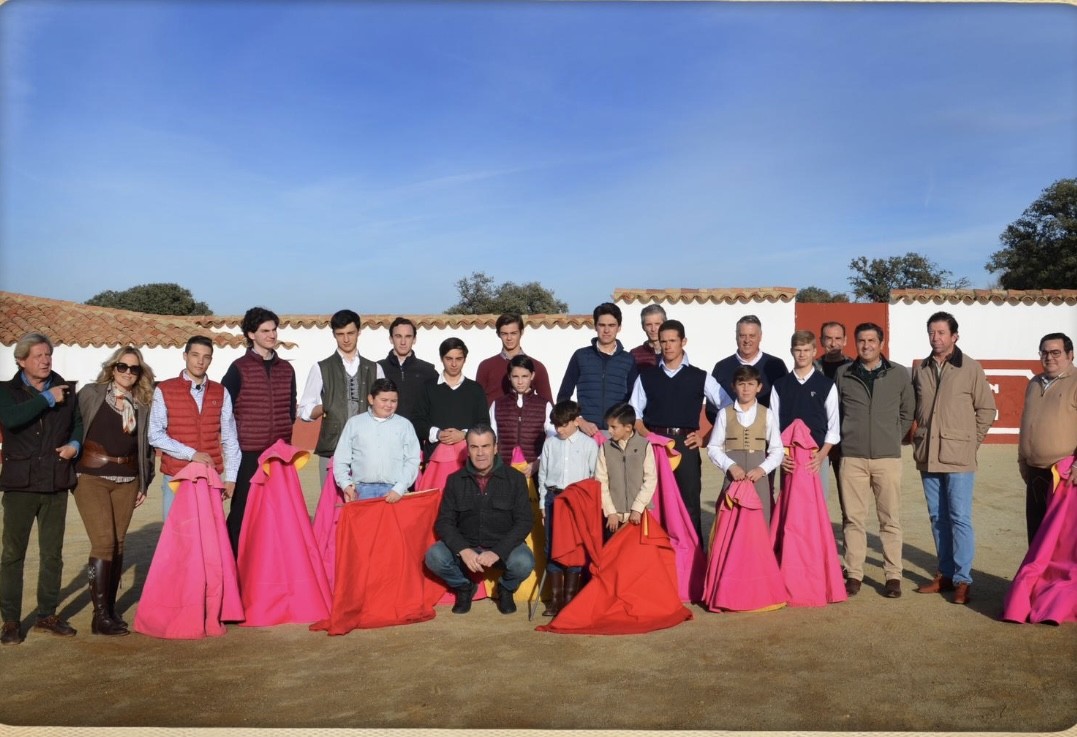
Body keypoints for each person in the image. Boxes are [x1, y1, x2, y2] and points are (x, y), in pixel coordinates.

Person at [0, 333, 82, 645]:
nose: (46, 360)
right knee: (12, 554)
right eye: (38, 356)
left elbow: (78, 423)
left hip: (54, 481)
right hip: (19, 483)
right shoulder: (6, 392)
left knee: (52, 555)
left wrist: (75, 443)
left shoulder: (67, 389)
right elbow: (11, 419)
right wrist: (47, 399)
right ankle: (9, 620)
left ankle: (46, 614)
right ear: (21, 361)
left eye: (48, 354)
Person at [911, 312, 996, 605]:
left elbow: (986, 410)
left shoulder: (970, 368)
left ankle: (962, 580)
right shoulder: (921, 369)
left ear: (954, 336)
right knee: (938, 518)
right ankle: (945, 574)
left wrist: (971, 442)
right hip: (928, 455)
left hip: (959, 456)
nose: (936, 338)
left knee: (959, 518)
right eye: (932, 333)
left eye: (941, 333)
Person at [73, 347, 156, 636]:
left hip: (128, 479)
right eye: (123, 367)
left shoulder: (143, 401)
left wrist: (144, 481)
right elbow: (72, 426)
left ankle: (109, 609)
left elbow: (147, 446)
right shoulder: (91, 393)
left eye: (134, 369)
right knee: (104, 542)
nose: (128, 373)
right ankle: (99, 616)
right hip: (91, 476)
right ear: (113, 367)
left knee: (119, 543)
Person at [630, 319, 732, 545]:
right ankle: (657, 558)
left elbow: (728, 407)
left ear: (683, 342)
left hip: (686, 444)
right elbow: (634, 413)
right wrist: (648, 437)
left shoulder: (700, 376)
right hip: (655, 445)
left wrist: (706, 437)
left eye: (672, 341)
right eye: (663, 341)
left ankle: (694, 557)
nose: (667, 346)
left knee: (689, 503)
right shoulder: (647, 376)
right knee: (654, 501)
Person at [834, 322, 914, 599]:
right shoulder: (843, 373)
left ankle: (893, 575)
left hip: (887, 458)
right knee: (853, 520)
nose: (866, 346)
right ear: (855, 344)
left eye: (871, 340)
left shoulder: (899, 374)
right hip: (852, 456)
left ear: (881, 343)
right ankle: (854, 573)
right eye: (861, 341)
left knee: (889, 519)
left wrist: (892, 437)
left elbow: (907, 411)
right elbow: (837, 411)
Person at [424, 425, 534, 615]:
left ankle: (506, 588)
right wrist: (463, 550)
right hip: (468, 547)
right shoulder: (455, 480)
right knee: (434, 556)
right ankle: (464, 587)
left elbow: (524, 521)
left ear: (495, 448)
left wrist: (498, 552)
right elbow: (444, 522)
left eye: (485, 446)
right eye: (474, 447)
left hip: (503, 547)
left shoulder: (515, 479)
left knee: (523, 561)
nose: (480, 453)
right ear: (468, 449)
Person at [221, 306, 297, 555]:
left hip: (279, 453)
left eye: (274, 330)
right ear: (251, 334)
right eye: (265, 330)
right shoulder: (238, 368)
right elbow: (225, 409)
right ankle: (233, 564)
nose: (272, 335)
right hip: (248, 453)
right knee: (242, 512)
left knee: (279, 513)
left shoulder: (287, 369)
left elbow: (291, 407)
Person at [148, 335, 240, 522]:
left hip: (210, 476)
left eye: (206, 357)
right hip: (177, 474)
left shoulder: (220, 391)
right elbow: (155, 435)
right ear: (185, 356)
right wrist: (191, 454)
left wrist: (231, 477)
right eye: (195, 355)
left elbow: (230, 437)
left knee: (210, 535)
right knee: (176, 536)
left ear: (211, 360)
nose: (200, 361)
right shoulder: (165, 389)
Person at [298, 309, 383, 484]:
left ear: (359, 332)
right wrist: (325, 406)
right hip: (332, 447)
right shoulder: (321, 368)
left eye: (350, 333)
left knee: (364, 504)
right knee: (330, 505)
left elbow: (384, 409)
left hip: (368, 448)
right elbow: (304, 411)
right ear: (334, 335)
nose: (346, 339)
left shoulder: (375, 368)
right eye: (340, 334)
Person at [536, 400, 598, 616]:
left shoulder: (589, 445)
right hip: (554, 498)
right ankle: (555, 599)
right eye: (556, 425)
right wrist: (544, 503)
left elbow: (594, 477)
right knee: (551, 545)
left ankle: (570, 597)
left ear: (575, 422)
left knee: (574, 546)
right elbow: (543, 474)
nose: (559, 429)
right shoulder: (550, 443)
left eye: (563, 425)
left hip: (577, 501)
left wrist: (587, 506)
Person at [706, 365, 784, 527]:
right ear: (733, 387)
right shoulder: (724, 413)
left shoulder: (767, 414)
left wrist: (762, 469)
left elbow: (777, 450)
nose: (746, 389)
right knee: (730, 520)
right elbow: (713, 447)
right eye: (741, 384)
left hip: (759, 477)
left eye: (750, 384)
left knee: (761, 520)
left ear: (759, 387)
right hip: (733, 475)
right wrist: (730, 466)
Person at [1018, 332, 1077, 544]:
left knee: (1061, 540)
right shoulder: (1034, 382)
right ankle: (1035, 578)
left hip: (1065, 475)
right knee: (1036, 534)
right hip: (1035, 473)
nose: (1049, 357)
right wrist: (1022, 459)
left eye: (1055, 352)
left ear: (1070, 355)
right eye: (1044, 352)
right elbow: (1026, 422)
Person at [770, 330, 840, 497]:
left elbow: (833, 427)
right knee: (790, 504)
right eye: (798, 349)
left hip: (816, 456)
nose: (802, 354)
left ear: (814, 352)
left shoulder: (826, 385)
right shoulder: (780, 385)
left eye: (806, 350)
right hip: (789, 457)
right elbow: (773, 426)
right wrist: (781, 455)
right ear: (791, 351)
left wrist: (822, 456)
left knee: (817, 504)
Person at [557, 302, 639, 438]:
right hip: (584, 433)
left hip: (617, 435)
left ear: (619, 327)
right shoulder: (580, 356)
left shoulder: (628, 360)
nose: (606, 330)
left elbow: (634, 401)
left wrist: (622, 426)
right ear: (595, 326)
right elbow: (563, 397)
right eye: (602, 325)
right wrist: (579, 421)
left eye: (611, 325)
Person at [333, 378, 420, 502]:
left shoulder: (405, 425)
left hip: (394, 491)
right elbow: (341, 458)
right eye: (384, 400)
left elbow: (412, 460)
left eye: (393, 401)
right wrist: (346, 484)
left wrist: (399, 488)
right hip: (362, 490)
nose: (389, 405)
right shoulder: (354, 423)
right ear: (371, 399)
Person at [413, 337, 489, 461]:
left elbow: (484, 424)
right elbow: (417, 421)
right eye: (449, 359)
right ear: (441, 358)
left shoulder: (475, 389)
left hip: (467, 460)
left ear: (465, 360)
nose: (454, 364)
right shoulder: (427, 388)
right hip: (435, 459)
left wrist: (464, 435)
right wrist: (438, 434)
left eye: (458, 359)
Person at [706, 315, 789, 421]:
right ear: (736, 337)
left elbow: (786, 402)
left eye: (752, 336)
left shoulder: (776, 366)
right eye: (742, 335)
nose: (747, 340)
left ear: (760, 337)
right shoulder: (722, 367)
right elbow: (711, 408)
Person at [597, 403, 657, 537]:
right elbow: (601, 481)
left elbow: (650, 479)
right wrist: (610, 512)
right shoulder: (605, 447)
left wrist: (637, 508)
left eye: (613, 427)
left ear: (628, 428)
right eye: (608, 426)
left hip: (639, 514)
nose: (609, 431)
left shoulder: (644, 446)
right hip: (613, 517)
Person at [489, 355, 554, 473]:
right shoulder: (497, 404)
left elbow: (553, 438)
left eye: (524, 376)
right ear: (509, 376)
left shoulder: (544, 405)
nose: (520, 382)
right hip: (503, 469)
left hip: (534, 470)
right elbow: (491, 437)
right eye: (515, 376)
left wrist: (538, 462)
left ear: (532, 375)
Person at [377, 317, 439, 439]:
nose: (403, 342)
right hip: (385, 438)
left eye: (408, 336)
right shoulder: (378, 368)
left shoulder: (428, 371)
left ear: (414, 339)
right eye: (398, 336)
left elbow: (437, 407)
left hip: (419, 440)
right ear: (391, 339)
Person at [476, 313, 553, 404]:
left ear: (522, 332)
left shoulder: (537, 367)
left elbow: (548, 405)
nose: (509, 338)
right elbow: (476, 403)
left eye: (513, 333)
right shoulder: (486, 366)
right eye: (504, 334)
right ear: (498, 334)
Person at [819, 321, 854, 526]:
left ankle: (850, 549)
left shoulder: (854, 368)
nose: (833, 343)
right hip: (818, 440)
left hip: (846, 440)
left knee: (848, 499)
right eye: (829, 338)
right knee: (817, 496)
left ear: (845, 340)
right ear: (822, 340)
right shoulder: (811, 368)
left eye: (838, 338)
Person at [629, 304, 667, 370]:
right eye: (649, 325)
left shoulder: (673, 352)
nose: (653, 329)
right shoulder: (635, 354)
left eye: (657, 324)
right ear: (643, 327)